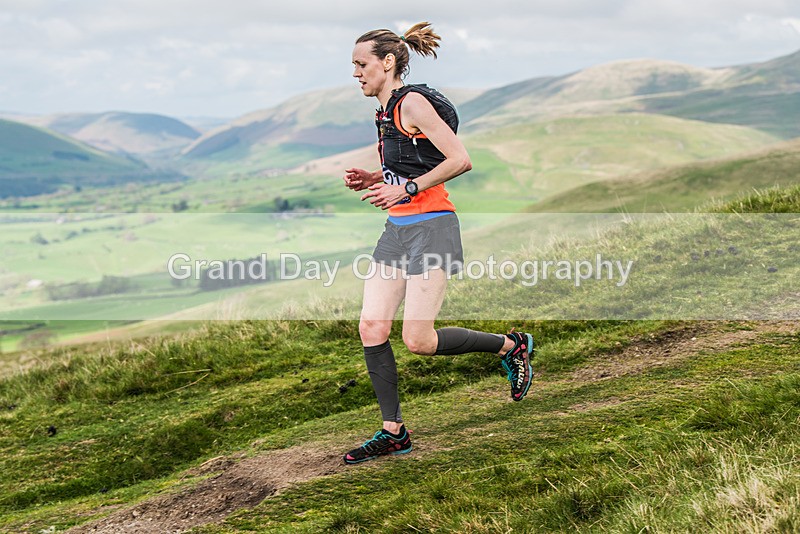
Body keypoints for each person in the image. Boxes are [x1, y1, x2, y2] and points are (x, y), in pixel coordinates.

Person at [341, 22, 535, 465]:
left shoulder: (412, 102)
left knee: (419, 340)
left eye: (361, 64)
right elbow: (414, 160)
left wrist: (406, 189)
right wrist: (375, 177)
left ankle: (511, 346)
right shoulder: (385, 110)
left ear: (387, 62)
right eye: (353, 65)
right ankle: (394, 432)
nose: (355, 73)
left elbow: (460, 159)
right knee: (371, 327)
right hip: (396, 230)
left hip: (432, 227)